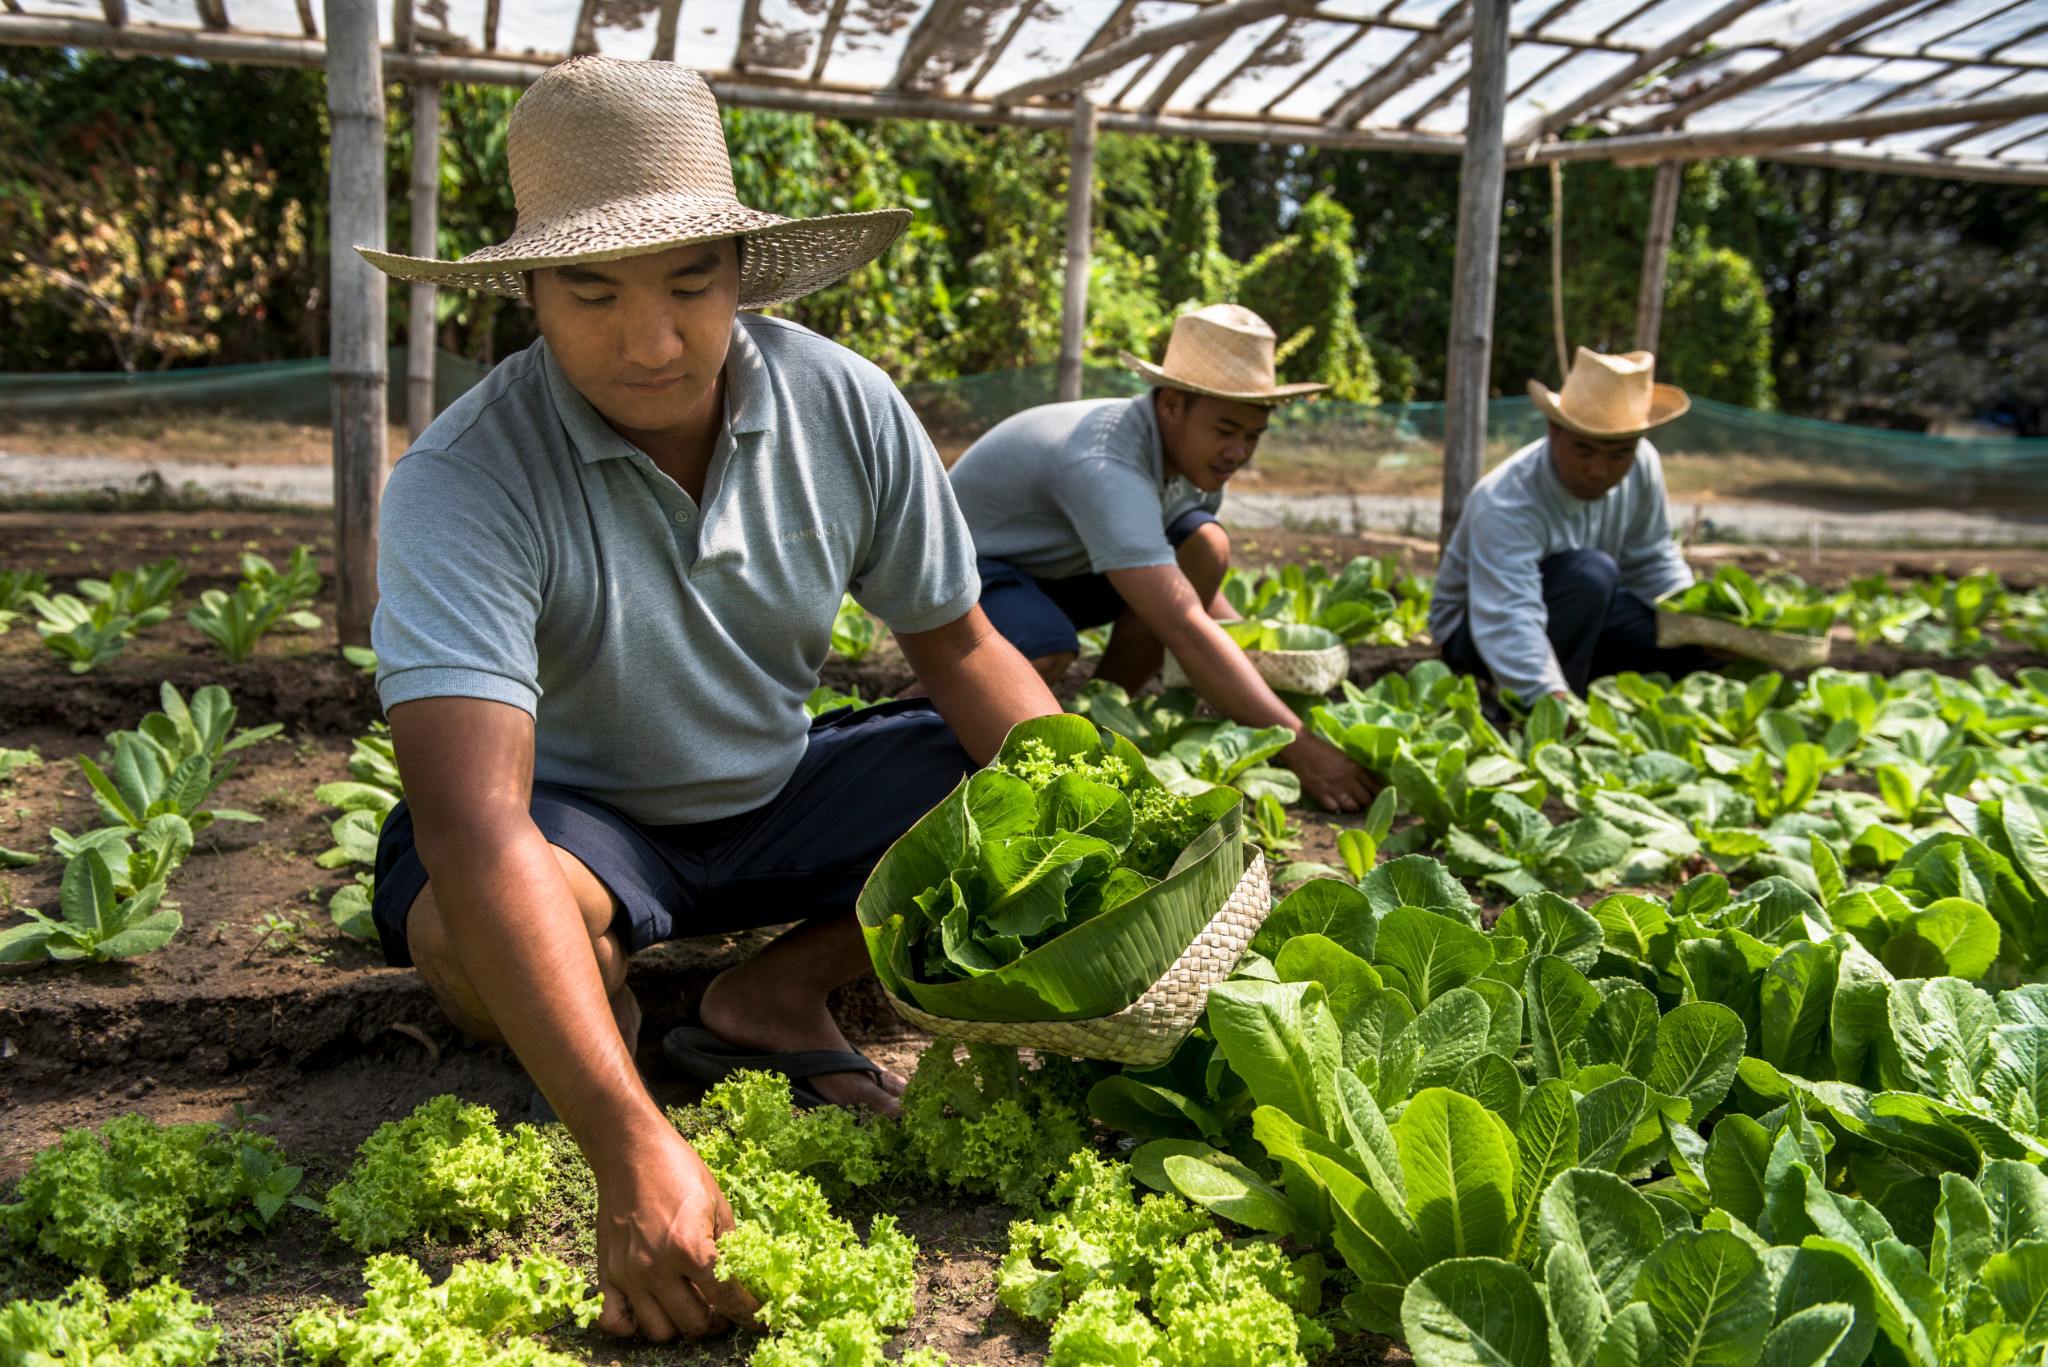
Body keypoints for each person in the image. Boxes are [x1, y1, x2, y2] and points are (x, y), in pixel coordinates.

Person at [354, 58, 1059, 1343]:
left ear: (745, 269)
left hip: (773, 793)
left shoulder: (844, 406)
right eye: (592, 290)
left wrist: (1118, 835)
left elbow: (960, 650)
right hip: (571, 828)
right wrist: (629, 1144)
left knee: (1016, 796)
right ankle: (614, 1035)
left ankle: (771, 996)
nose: (653, 339)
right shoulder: (465, 477)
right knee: (475, 934)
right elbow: (477, 824)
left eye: (691, 284)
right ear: (529, 292)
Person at [946, 304, 1377, 813]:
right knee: (1043, 649)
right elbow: (1184, 625)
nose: (1239, 452)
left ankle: (1100, 721)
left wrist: (1263, 658)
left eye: (1252, 436)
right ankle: (916, 709)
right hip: (960, 575)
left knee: (1205, 543)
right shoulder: (1108, 466)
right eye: (1225, 430)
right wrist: (1300, 747)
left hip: (1056, 565)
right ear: (1171, 404)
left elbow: (1190, 589)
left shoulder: (1189, 460)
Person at [1430, 347, 1715, 704]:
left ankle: (1573, 683)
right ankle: (1523, 700)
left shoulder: (1644, 464)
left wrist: (1702, 625)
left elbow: (1653, 560)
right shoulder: (1506, 500)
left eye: (1618, 454)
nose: (1599, 470)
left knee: (1691, 643)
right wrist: (1550, 701)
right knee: (1591, 574)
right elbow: (1508, 616)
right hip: (1475, 633)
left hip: (1578, 618)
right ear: (1554, 430)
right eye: (1584, 451)